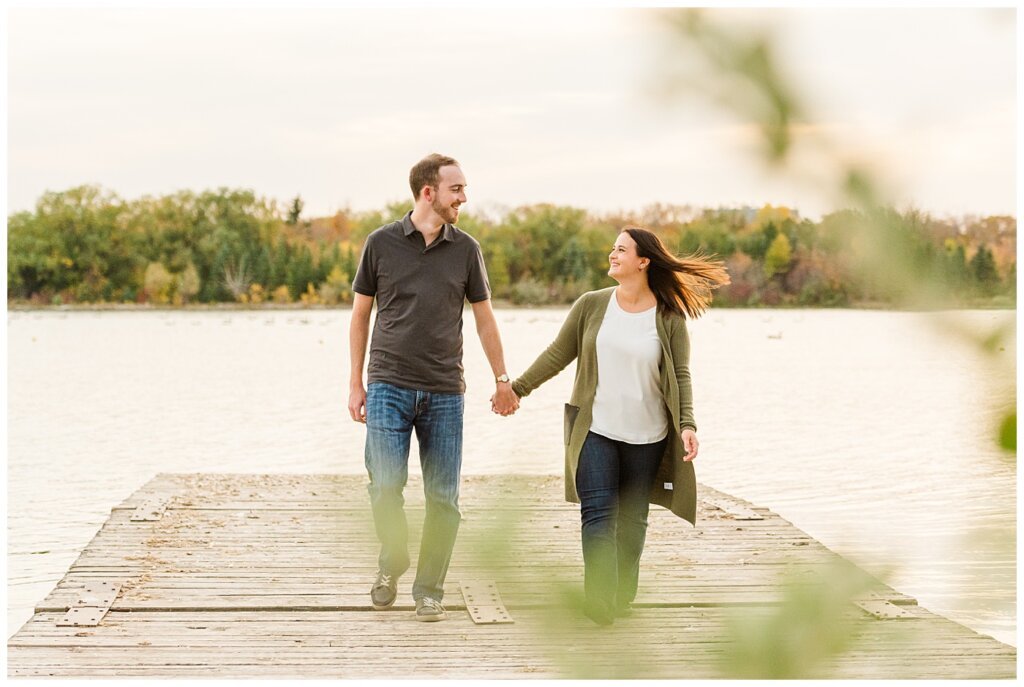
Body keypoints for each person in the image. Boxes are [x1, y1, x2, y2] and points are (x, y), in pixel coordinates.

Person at [505, 227, 729, 625]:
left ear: (643, 261)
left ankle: (622, 592)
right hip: (597, 429)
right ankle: (599, 602)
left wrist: (688, 424)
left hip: (648, 434)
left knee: (632, 520)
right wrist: (518, 388)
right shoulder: (592, 305)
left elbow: (681, 373)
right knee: (597, 515)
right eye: (613, 248)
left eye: (621, 249)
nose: (612, 254)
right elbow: (559, 353)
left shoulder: (668, 317)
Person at [348, 153, 519, 622]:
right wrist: (355, 383)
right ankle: (392, 561)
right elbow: (361, 315)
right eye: (456, 189)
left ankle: (429, 589)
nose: (464, 197)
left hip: (445, 390)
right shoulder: (380, 243)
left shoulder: (466, 249)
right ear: (429, 192)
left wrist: (502, 379)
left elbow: (484, 318)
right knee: (385, 485)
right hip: (387, 385)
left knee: (443, 499)